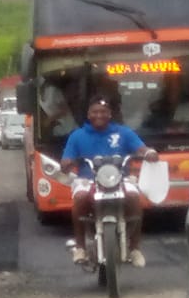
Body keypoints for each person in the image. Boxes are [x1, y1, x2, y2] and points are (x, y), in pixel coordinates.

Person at [60, 97, 157, 268]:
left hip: (120, 178)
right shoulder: (77, 136)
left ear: (110, 114)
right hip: (88, 180)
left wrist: (149, 152)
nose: (99, 115)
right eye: (95, 112)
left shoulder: (123, 132)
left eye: (103, 112)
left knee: (134, 197)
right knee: (80, 198)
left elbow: (140, 148)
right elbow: (66, 160)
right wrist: (67, 163)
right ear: (89, 115)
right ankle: (80, 247)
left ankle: (135, 248)